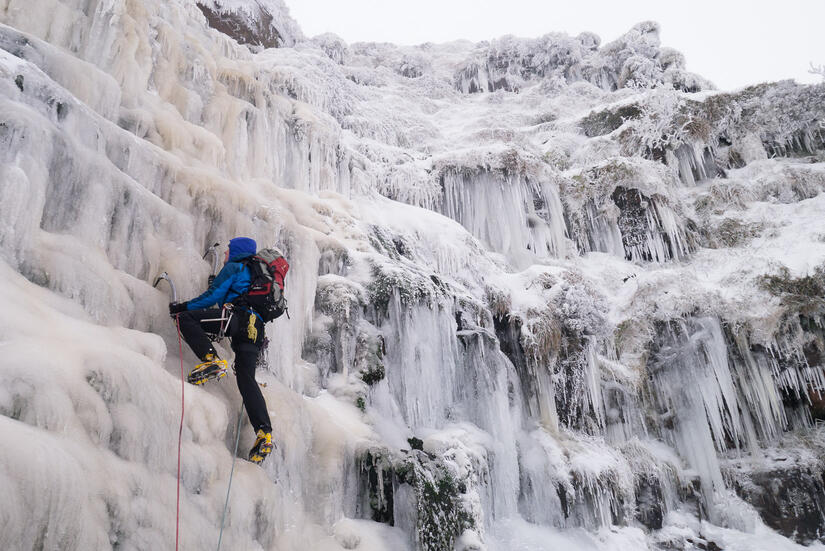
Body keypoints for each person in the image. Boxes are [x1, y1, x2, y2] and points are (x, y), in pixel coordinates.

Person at [169, 237, 273, 464]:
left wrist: (182, 307)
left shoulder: (236, 266)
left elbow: (212, 298)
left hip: (237, 319)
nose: (225, 254)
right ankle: (264, 432)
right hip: (256, 330)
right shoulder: (255, 273)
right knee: (247, 380)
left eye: (228, 251)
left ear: (236, 251)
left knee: (186, 319)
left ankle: (211, 359)